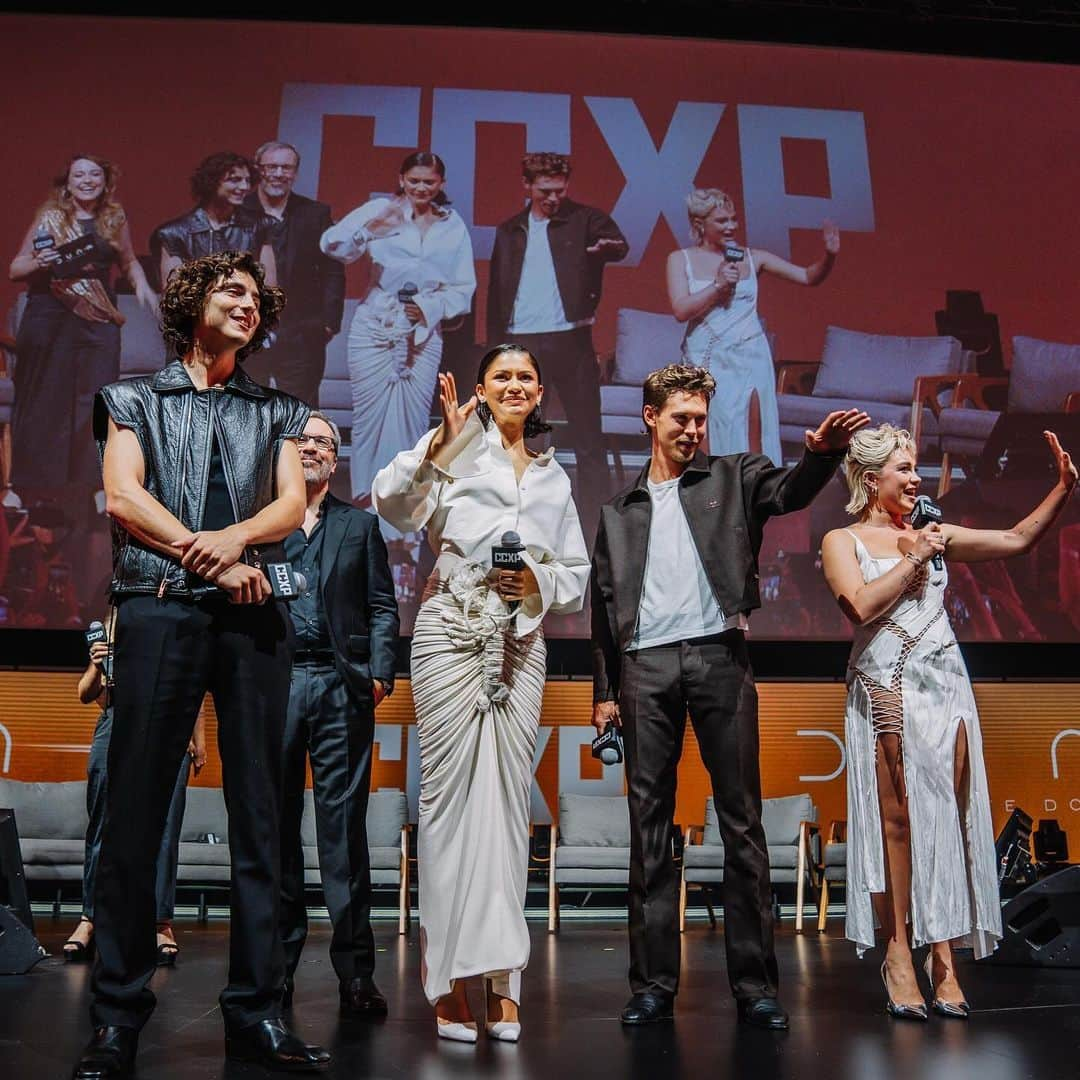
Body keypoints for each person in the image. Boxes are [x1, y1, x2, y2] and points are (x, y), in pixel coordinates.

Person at [75, 250, 329, 1078]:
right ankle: (117, 1015)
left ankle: (257, 1011)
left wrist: (235, 546)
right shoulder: (133, 398)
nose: (247, 305)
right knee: (136, 818)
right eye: (231, 291)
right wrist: (209, 557)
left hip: (255, 619)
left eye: (256, 297)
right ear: (191, 304)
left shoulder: (280, 409)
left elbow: (290, 505)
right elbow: (123, 496)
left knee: (264, 819)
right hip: (157, 609)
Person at [590, 362, 868, 1030]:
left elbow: (792, 492)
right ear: (650, 417)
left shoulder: (733, 475)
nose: (693, 429)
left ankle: (755, 985)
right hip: (644, 667)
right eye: (681, 418)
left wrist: (821, 454)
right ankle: (652, 984)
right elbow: (600, 606)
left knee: (740, 823)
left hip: (720, 654)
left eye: (700, 419)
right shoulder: (619, 510)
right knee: (648, 829)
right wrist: (604, 694)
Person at [820, 425, 1077, 1019]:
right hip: (886, 686)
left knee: (948, 817)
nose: (916, 478)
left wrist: (1063, 489)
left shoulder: (934, 535)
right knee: (899, 823)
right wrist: (914, 558)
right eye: (904, 468)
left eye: (917, 467)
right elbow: (859, 605)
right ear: (869, 479)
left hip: (945, 689)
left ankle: (944, 957)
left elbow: (1015, 539)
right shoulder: (843, 539)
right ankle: (897, 954)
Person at [372, 346, 589, 1043]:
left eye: (527, 375)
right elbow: (394, 505)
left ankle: (500, 978)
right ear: (481, 390)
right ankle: (448, 980)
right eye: (504, 376)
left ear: (540, 390)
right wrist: (442, 441)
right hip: (450, 630)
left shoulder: (556, 476)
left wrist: (537, 586)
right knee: (448, 800)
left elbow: (577, 574)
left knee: (504, 803)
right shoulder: (456, 451)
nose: (517, 384)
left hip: (522, 642)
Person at [278, 411, 399, 1016]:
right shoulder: (262, 521)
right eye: (304, 440)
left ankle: (355, 973)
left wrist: (379, 672)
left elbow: (382, 605)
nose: (313, 449)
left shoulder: (359, 525)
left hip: (339, 686)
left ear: (335, 458)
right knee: (273, 829)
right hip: (275, 686)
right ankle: (273, 970)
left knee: (343, 834)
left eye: (324, 442)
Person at [320, 151, 476, 504]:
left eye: (429, 182)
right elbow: (331, 245)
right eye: (414, 180)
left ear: (441, 184)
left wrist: (428, 307)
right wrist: (369, 230)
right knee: (369, 420)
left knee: (413, 420)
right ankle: (367, 504)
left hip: (422, 331)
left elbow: (464, 288)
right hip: (375, 324)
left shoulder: (452, 224)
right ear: (402, 178)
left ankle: (403, 519)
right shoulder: (381, 210)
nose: (421, 188)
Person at [487, 152, 627, 538]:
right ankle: (519, 519)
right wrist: (496, 351)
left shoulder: (583, 219)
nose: (553, 198)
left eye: (559, 190)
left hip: (571, 337)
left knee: (588, 436)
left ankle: (599, 526)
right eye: (545, 190)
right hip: (522, 341)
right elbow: (497, 290)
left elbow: (618, 243)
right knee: (520, 435)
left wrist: (603, 250)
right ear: (527, 187)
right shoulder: (510, 229)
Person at [8, 154, 156, 490]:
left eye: (94, 174)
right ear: (68, 181)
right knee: (46, 398)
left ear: (105, 182)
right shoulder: (51, 218)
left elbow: (129, 261)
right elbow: (15, 270)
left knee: (97, 399)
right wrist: (37, 262)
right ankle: (32, 487)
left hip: (97, 315)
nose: (87, 180)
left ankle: (92, 487)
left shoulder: (114, 219)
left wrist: (144, 287)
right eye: (79, 174)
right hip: (50, 314)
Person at [68, 616, 206, 966]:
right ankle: (90, 918)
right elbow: (86, 694)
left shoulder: (172, 625)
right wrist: (96, 665)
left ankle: (161, 923)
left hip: (170, 722)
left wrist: (199, 740)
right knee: (102, 826)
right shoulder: (108, 638)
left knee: (164, 830)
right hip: (116, 724)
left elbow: (195, 685)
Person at [666, 188, 839, 466]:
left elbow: (808, 277)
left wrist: (829, 256)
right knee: (708, 437)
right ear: (700, 225)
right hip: (707, 358)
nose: (732, 226)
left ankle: (755, 498)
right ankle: (714, 498)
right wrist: (718, 286)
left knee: (753, 437)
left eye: (733, 219)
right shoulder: (679, 259)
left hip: (750, 356)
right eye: (722, 221)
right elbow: (680, 309)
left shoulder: (751, 257)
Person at [241, 141, 346, 405]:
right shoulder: (238, 210)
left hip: (303, 329)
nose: (278, 173)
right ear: (258, 170)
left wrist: (329, 322)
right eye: (271, 166)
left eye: (286, 167)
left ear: (295, 173)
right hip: (248, 326)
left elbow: (333, 269)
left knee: (302, 410)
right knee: (246, 404)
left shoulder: (315, 213)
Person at [150, 152, 276, 290]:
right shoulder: (173, 234)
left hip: (246, 309)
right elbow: (175, 296)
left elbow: (268, 290)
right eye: (235, 180)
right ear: (212, 181)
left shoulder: (260, 225)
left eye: (247, 180)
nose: (245, 187)